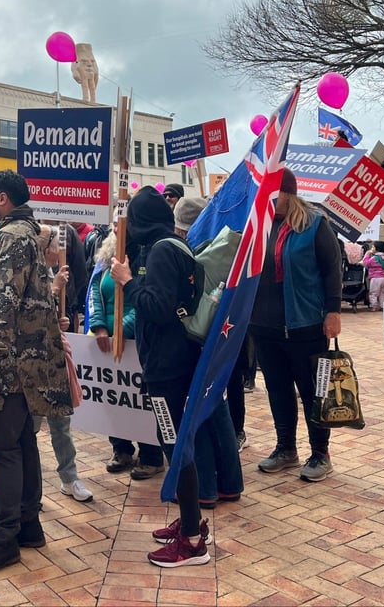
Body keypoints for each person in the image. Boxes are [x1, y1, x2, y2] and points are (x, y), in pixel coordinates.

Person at [0, 170, 71, 579]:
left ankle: (2, 539)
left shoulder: (11, 237)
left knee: (3, 448)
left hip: (9, 365)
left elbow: (4, 298)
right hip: (23, 362)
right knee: (22, 442)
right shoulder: (25, 233)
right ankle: (27, 525)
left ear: (1, 198)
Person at [108, 186, 212, 567]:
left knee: (174, 443)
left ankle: (191, 539)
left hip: (168, 366)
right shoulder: (171, 245)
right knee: (173, 441)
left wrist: (127, 281)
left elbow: (158, 307)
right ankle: (189, 520)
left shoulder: (162, 251)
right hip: (173, 360)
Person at [250, 169, 343, 483]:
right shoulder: (257, 226)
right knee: (277, 390)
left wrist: (333, 311)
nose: (273, 201)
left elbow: (332, 270)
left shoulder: (314, 225)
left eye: (277, 195)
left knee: (312, 392)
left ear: (291, 193)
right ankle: (286, 448)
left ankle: (321, 453)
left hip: (306, 325)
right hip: (264, 325)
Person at [174, 196, 242, 510]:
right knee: (217, 408)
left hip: (194, 338)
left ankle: (205, 488)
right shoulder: (229, 249)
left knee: (197, 414)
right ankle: (230, 482)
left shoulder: (201, 257)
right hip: (221, 336)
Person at [87, 232, 165, 479]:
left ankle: (151, 454)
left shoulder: (146, 258)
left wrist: (122, 330)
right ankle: (120, 448)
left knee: (141, 401)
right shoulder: (105, 260)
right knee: (114, 396)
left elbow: (141, 300)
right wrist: (100, 326)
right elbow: (95, 295)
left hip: (136, 339)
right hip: (105, 341)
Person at [33, 225, 92, 503]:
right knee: (29, 427)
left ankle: (70, 478)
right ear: (48, 249)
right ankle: (30, 485)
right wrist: (53, 291)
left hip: (55, 359)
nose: (60, 252)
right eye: (57, 246)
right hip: (32, 363)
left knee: (61, 424)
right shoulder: (32, 274)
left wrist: (60, 321)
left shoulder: (54, 274)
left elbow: (49, 320)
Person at [362, 241, 384, 311]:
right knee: (382, 293)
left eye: (373, 247)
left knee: (373, 293)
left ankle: (374, 306)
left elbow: (366, 263)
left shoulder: (375, 258)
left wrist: (367, 253)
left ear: (377, 248)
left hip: (376, 278)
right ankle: (383, 306)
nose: (372, 248)